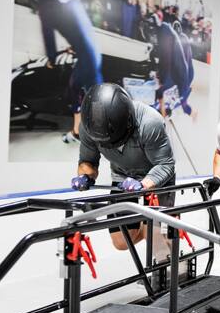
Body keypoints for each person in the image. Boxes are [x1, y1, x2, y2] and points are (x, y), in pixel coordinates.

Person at [71, 83, 175, 250]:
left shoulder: (150, 122)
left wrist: (143, 185)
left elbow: (165, 164)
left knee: (160, 241)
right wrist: (85, 176)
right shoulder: (88, 127)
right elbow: (88, 161)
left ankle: (165, 241)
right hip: (123, 178)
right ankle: (146, 228)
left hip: (155, 177)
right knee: (121, 242)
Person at [21, 0, 102, 144]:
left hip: (87, 55)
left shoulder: (45, 0)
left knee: (80, 92)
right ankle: (83, 132)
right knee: (84, 93)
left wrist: (51, 58)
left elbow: (47, 33)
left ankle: (87, 136)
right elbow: (77, 21)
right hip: (92, 51)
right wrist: (77, 45)